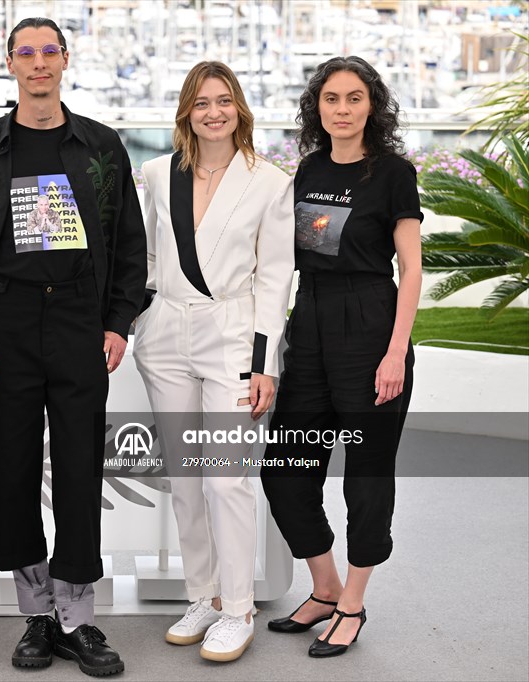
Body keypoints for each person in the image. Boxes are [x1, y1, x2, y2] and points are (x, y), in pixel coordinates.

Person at [0, 17, 146, 678]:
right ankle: (35, 615)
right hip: (2, 323)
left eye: (48, 51)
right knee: (9, 468)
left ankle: (78, 617)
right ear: (10, 63)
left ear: (66, 59)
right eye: (25, 52)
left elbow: (129, 245)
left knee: (80, 465)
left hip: (77, 322)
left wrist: (118, 322)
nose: (38, 63)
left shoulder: (101, 146)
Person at [260, 55, 422, 658]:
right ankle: (324, 587)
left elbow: (410, 268)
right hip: (312, 328)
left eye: (355, 98)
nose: (343, 109)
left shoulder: (393, 174)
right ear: (317, 107)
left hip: (372, 325)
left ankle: (353, 604)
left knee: (366, 477)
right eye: (332, 99)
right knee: (284, 472)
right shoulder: (307, 170)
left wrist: (396, 351)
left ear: (371, 107)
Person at [134, 61, 294, 663]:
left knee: (226, 479)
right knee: (184, 479)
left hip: (233, 336)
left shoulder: (269, 183)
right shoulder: (157, 172)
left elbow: (276, 281)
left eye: (224, 101)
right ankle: (202, 596)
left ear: (240, 110)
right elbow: (148, 258)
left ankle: (238, 607)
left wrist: (264, 363)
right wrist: (144, 320)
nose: (213, 112)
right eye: (201, 103)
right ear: (186, 112)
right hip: (167, 336)